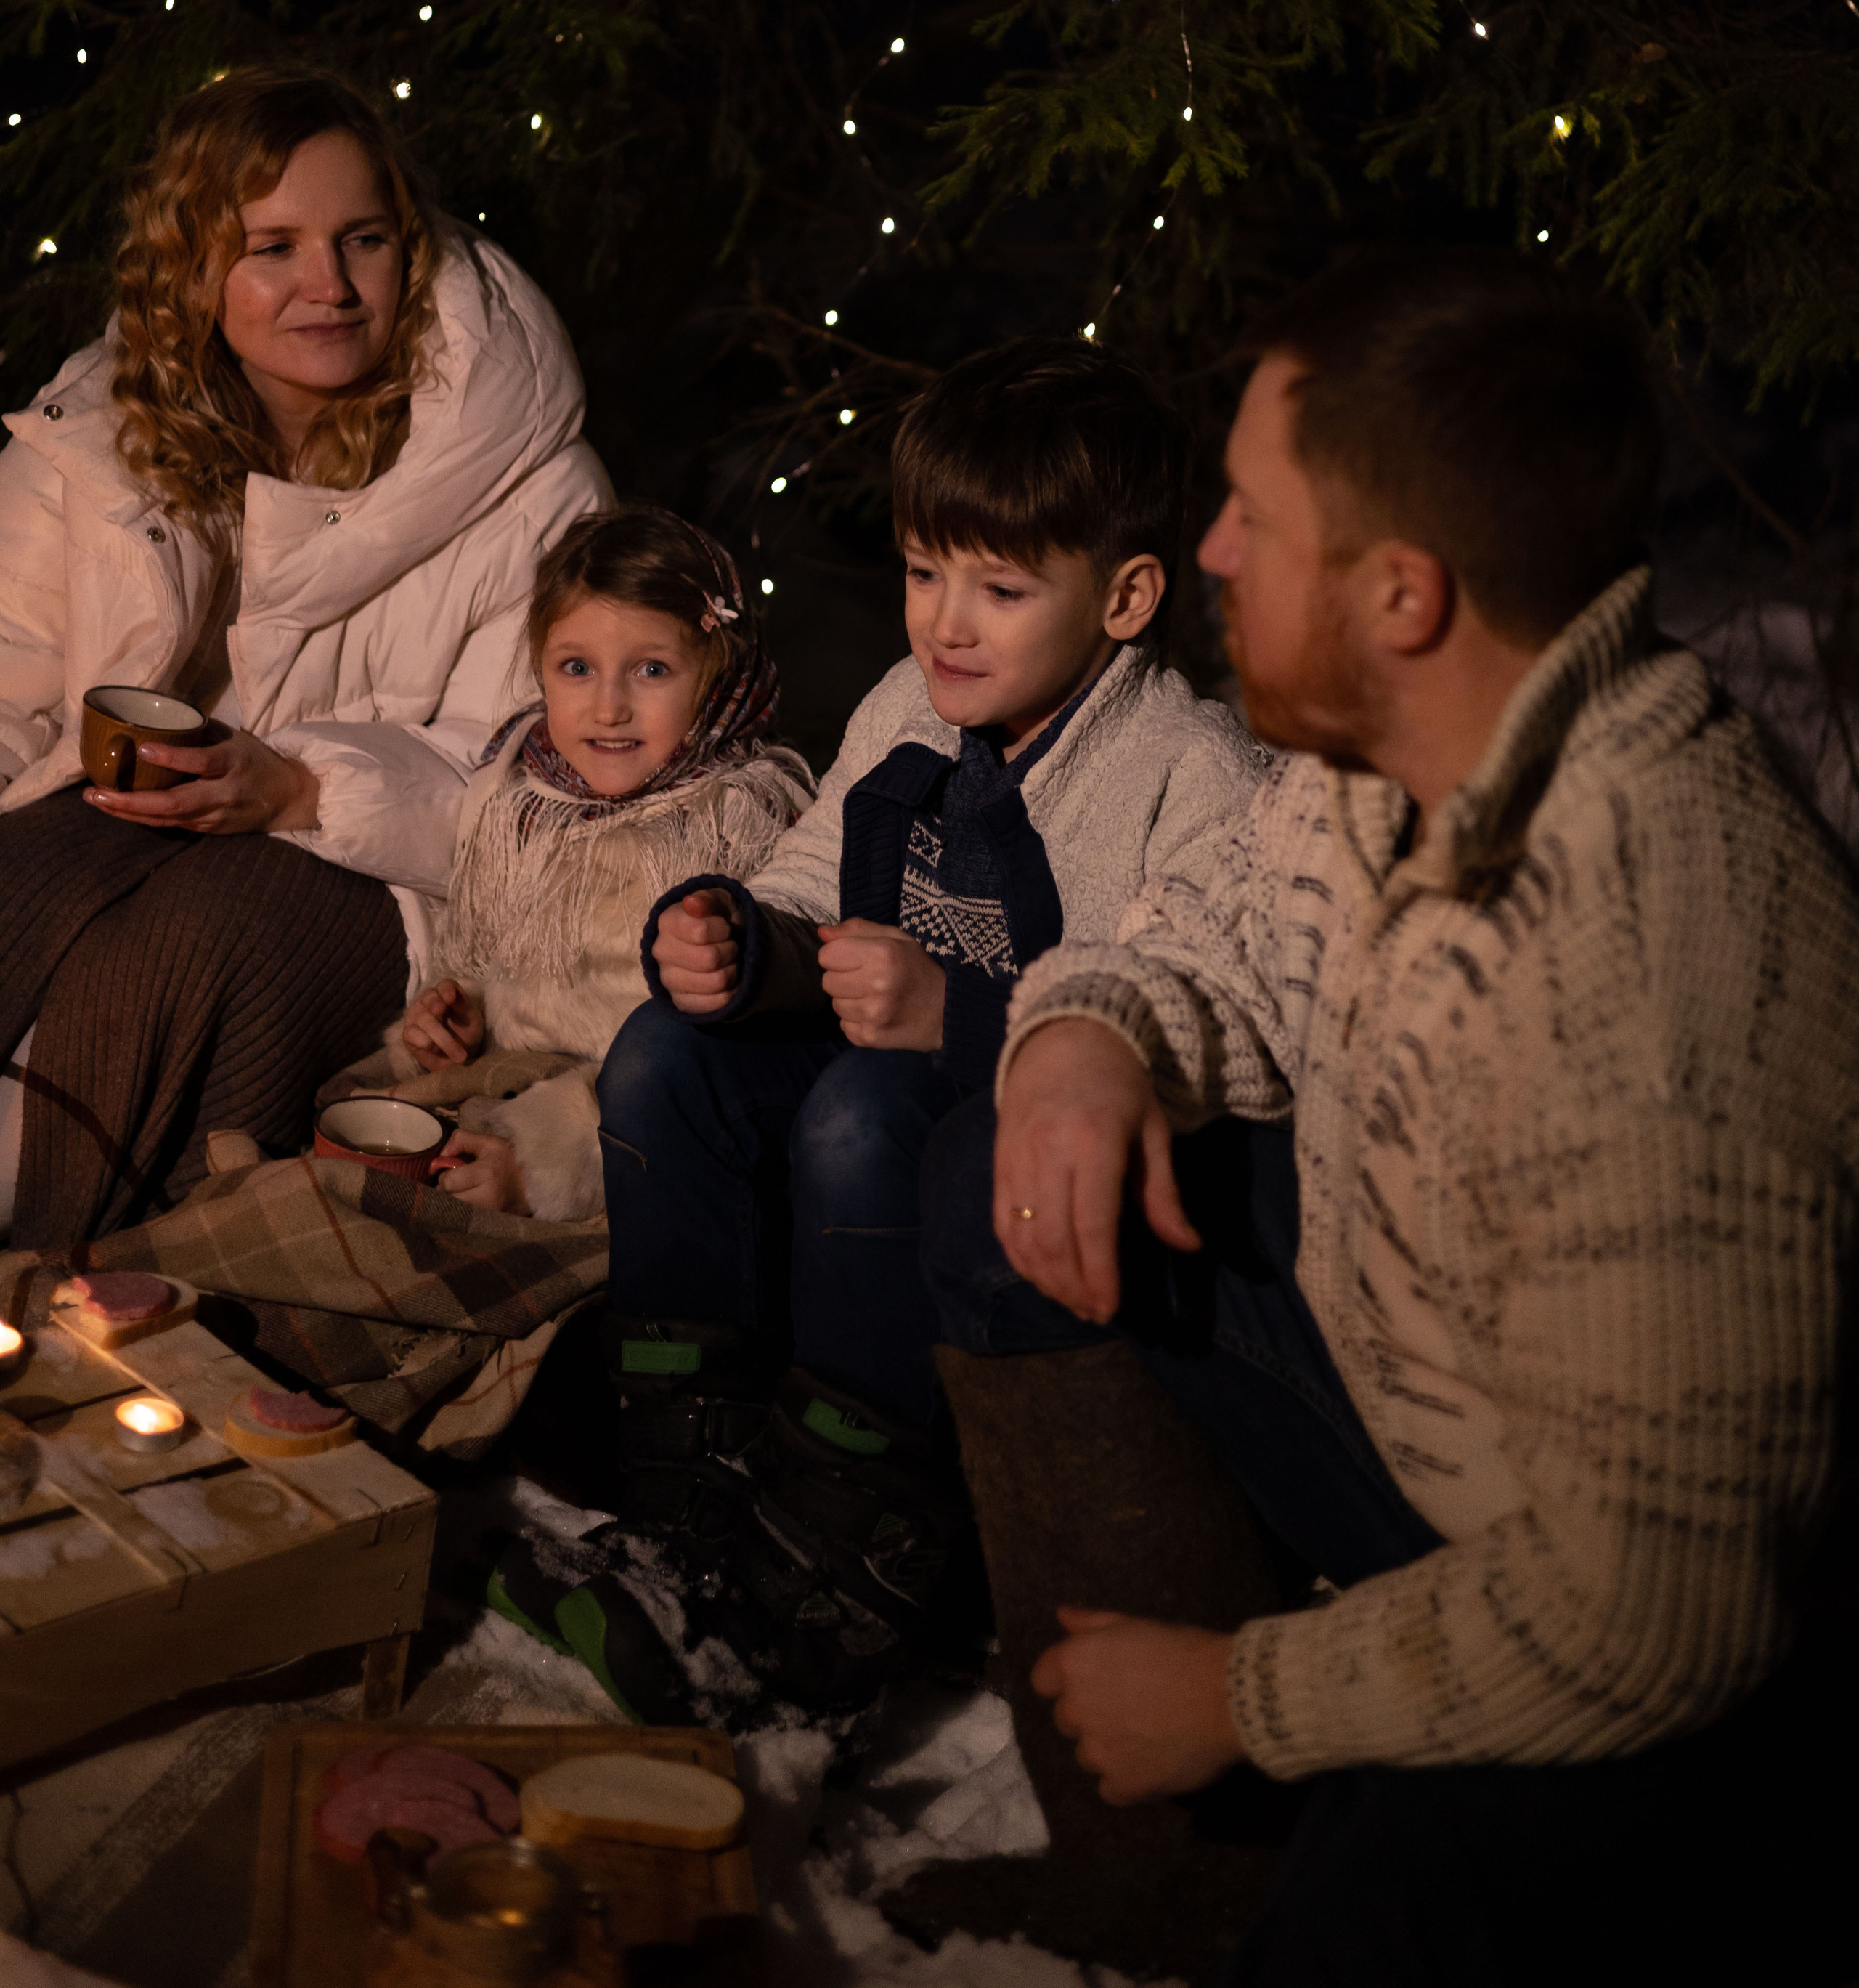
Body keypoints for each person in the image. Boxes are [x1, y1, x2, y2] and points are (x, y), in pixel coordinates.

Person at [919, 248, 1859, 1985]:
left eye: (1255, 523)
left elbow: (1655, 1607)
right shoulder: (1403, 753)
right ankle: (1159, 1874)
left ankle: (1256, 1808)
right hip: (1445, 1418)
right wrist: (1085, 1038)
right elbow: (1213, 918)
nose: (1202, 550)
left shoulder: (1650, 977)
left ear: (1401, 593)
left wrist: (1237, 1697)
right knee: (993, 1168)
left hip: (1658, 1675)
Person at [521, 339, 1267, 1719]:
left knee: (856, 1118)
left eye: (999, 586)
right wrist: (742, 938)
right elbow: (815, 868)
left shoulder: (1184, 771)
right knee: (662, 1059)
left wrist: (955, 1011)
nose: (946, 625)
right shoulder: (912, 702)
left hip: (1017, 1099)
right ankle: (695, 1475)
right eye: (926, 574)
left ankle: (855, 1540)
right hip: (878, 1044)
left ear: (1127, 596)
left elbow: (1172, 1009)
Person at [0, 66, 610, 1248]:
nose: (327, 287)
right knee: (26, 873)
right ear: (195, 265)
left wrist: (302, 787)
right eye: (272, 246)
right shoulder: (97, 441)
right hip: (124, 832)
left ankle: (53, 1285)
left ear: (409, 249)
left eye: (363, 239)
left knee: (190, 939)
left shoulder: (532, 484)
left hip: (390, 894)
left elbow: (545, 794)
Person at [382, 506, 813, 1220]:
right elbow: (483, 957)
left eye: (651, 669)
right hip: (500, 1085)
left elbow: (722, 1065)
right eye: (577, 668)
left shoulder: (741, 818)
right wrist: (454, 1020)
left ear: (717, 674)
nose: (608, 707)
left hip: (622, 1148)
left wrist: (546, 1172)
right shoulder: (519, 795)